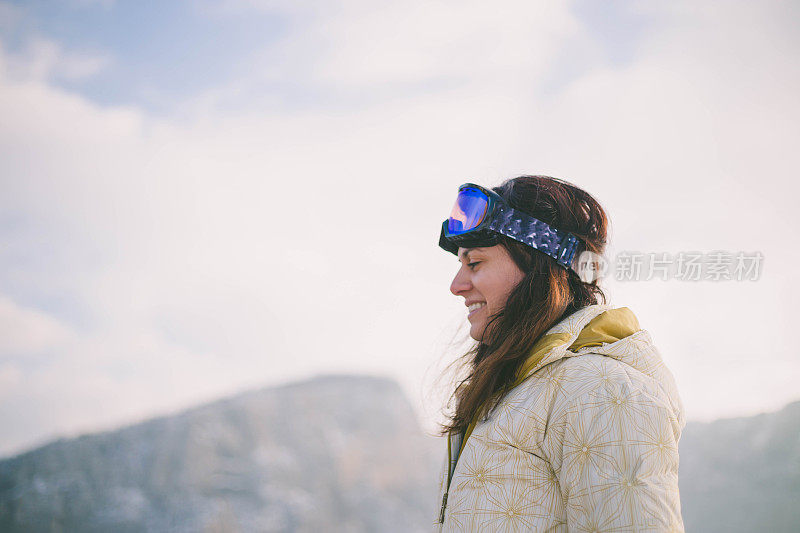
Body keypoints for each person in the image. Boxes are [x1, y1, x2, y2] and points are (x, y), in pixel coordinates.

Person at [434, 176, 685, 532]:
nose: (456, 285)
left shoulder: (602, 391)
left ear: (540, 267)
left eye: (474, 263)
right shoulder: (512, 393)